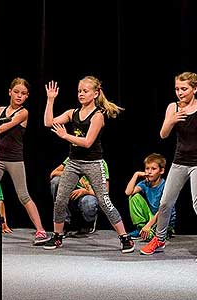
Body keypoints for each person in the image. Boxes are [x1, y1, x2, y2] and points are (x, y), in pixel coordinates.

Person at [140, 71, 197, 263]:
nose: (180, 92)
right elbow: (163, 134)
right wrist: (171, 120)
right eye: (177, 89)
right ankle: (159, 239)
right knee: (165, 203)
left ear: (195, 89)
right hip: (179, 161)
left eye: (184, 89)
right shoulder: (172, 107)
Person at [43, 76, 134, 253]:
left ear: (95, 93)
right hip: (74, 163)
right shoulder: (72, 113)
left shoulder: (98, 115)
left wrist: (65, 136)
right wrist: (50, 100)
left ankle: (125, 238)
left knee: (104, 200)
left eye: (85, 91)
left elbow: (87, 142)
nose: (81, 94)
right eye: (79, 91)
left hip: (93, 163)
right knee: (60, 199)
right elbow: (48, 122)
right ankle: (57, 236)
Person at [0, 77, 50, 245]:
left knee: (23, 195)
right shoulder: (0, 110)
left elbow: (1, 128)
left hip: (15, 160)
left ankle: (41, 231)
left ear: (27, 96)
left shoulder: (23, 113)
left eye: (23, 93)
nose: (19, 96)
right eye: (16, 92)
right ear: (9, 92)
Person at [50, 157, 109, 236]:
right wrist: (74, 176)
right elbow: (54, 173)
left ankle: (87, 223)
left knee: (88, 201)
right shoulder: (72, 158)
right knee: (56, 181)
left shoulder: (100, 163)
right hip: (72, 192)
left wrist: (85, 191)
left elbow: (105, 191)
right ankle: (64, 222)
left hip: (89, 193)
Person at [125, 153, 176, 241]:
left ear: (161, 171)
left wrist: (148, 225)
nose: (149, 171)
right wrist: (136, 174)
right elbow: (128, 192)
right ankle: (140, 228)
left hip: (164, 218)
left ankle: (165, 231)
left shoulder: (165, 186)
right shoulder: (145, 183)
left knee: (151, 237)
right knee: (133, 196)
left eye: (153, 169)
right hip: (152, 216)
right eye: (147, 168)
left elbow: (163, 209)